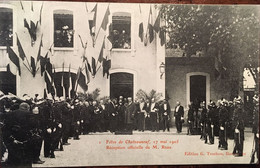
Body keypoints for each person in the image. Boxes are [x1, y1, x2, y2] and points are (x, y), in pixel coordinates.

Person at [3, 102, 33, 167]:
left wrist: (11, 139)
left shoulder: (10, 114)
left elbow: (6, 129)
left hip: (13, 141)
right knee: (25, 162)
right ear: (27, 108)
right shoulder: (29, 114)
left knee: (13, 161)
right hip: (25, 141)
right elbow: (32, 127)